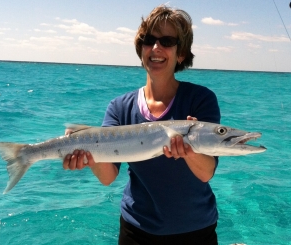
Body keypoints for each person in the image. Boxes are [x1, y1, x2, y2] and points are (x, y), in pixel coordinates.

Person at [63, 5, 220, 245]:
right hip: (136, 230)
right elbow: (108, 177)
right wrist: (89, 159)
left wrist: (189, 150)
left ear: (181, 54)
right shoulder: (119, 107)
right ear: (141, 49)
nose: (156, 48)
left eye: (167, 41)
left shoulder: (201, 99)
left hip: (195, 229)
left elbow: (206, 172)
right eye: (149, 40)